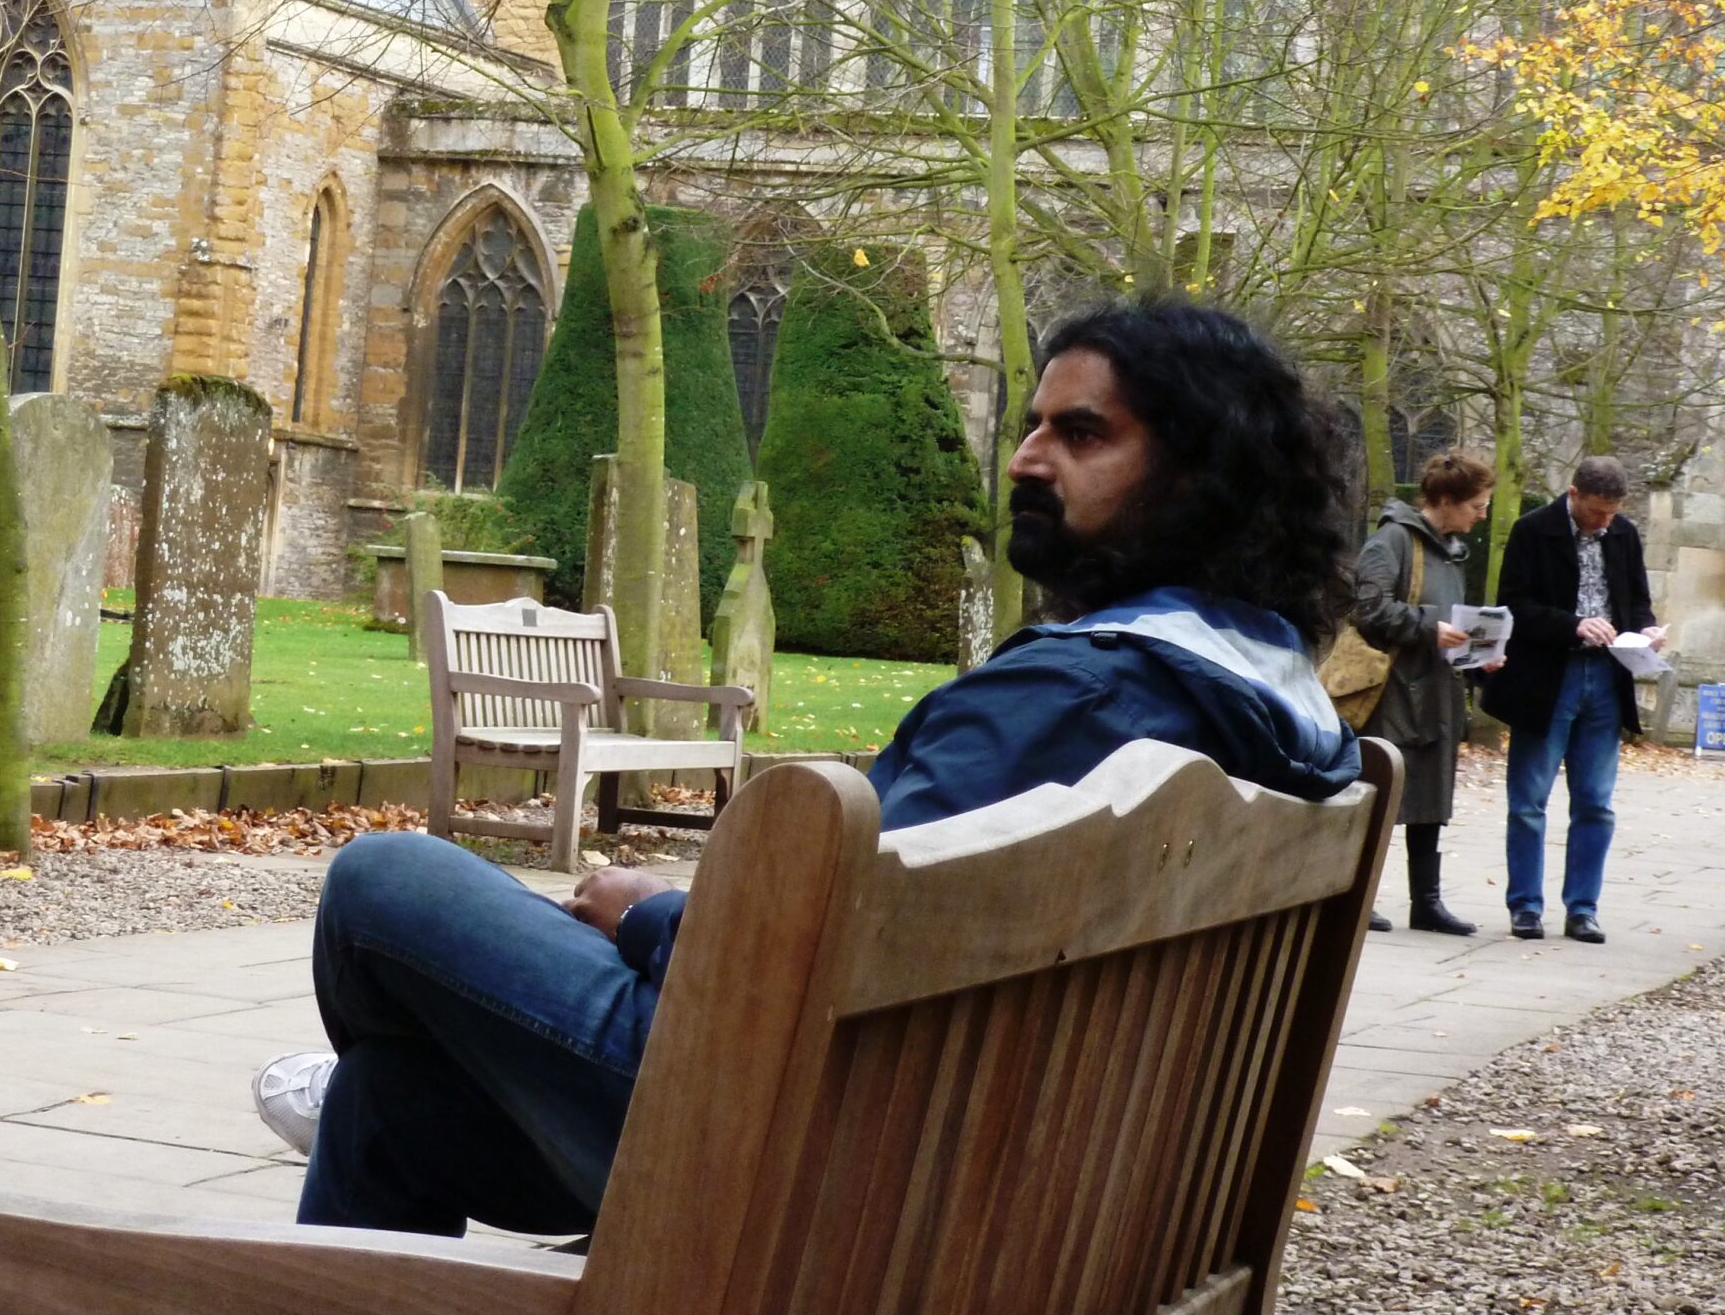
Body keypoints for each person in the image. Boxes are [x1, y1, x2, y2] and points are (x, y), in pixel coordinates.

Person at [253, 300, 1362, 1239]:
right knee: (384, 1098)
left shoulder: (1077, 699)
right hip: (1013, 1185)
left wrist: (649, 914)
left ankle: (434, 1038)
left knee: (385, 880)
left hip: (816, 1174)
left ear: (1198, 475)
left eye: (1081, 434)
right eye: (1031, 428)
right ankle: (410, 1056)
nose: (1024, 459)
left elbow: (832, 958)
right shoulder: (1269, 703)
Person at [1486, 456, 1666, 944]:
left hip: (1607, 676)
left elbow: (1636, 598)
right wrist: (1572, 625)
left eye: (1611, 513)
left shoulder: (1623, 534)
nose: (1604, 522)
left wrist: (1645, 630)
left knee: (1596, 802)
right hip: (1548, 676)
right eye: (1596, 512)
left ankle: (1583, 908)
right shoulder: (1532, 530)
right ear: (1574, 493)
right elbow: (1514, 606)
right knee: (1529, 800)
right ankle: (1525, 906)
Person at [1352, 452, 1498, 936]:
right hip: (1393, 689)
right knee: (1382, 794)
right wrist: (1427, 627)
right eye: (1476, 506)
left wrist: (1480, 652)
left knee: (1431, 795)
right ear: (1445, 500)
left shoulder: (1451, 550)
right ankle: (1359, 898)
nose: (1481, 515)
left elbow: (1451, 623)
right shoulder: (1393, 540)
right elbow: (1368, 609)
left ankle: (1426, 902)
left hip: (1437, 688)